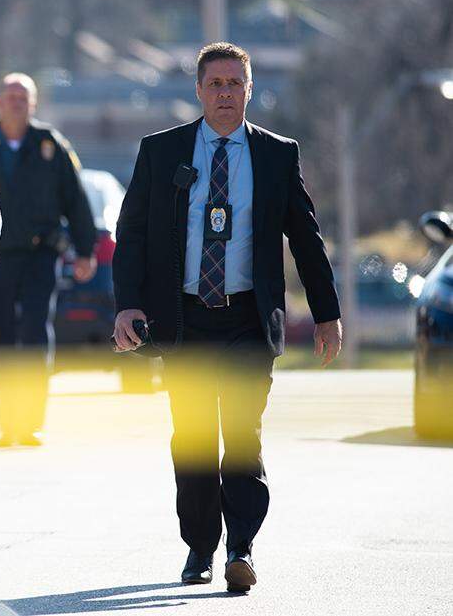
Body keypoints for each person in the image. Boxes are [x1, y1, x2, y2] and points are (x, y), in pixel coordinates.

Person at [112, 42, 342, 593]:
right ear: (198, 90)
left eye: (235, 84)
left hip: (246, 318)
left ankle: (241, 545)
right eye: (214, 84)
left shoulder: (275, 154)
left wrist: (326, 313)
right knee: (192, 438)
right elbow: (133, 235)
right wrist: (127, 303)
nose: (224, 94)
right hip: (185, 320)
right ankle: (199, 547)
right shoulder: (162, 151)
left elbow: (305, 238)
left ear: (250, 90)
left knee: (241, 434)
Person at [0, 72, 97, 448]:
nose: (15, 103)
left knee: (35, 334)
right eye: (9, 97)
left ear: (33, 104)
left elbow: (75, 200)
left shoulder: (50, 146)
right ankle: (8, 425)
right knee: (3, 338)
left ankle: (30, 424)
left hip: (41, 255)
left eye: (23, 98)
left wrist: (86, 250)